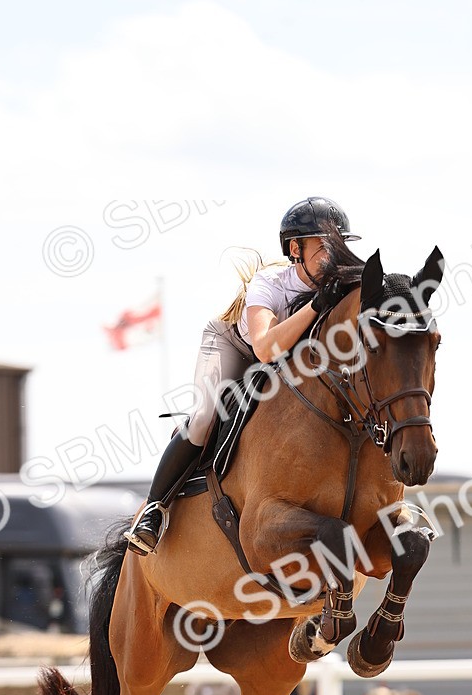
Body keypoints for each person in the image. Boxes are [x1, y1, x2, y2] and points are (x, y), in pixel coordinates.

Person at [125, 196, 360, 555]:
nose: (335, 255)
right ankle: (155, 510)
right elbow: (265, 349)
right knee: (205, 417)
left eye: (340, 245)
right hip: (237, 348)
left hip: (284, 366)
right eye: (325, 246)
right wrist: (316, 305)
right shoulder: (271, 282)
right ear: (295, 248)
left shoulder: (338, 289)